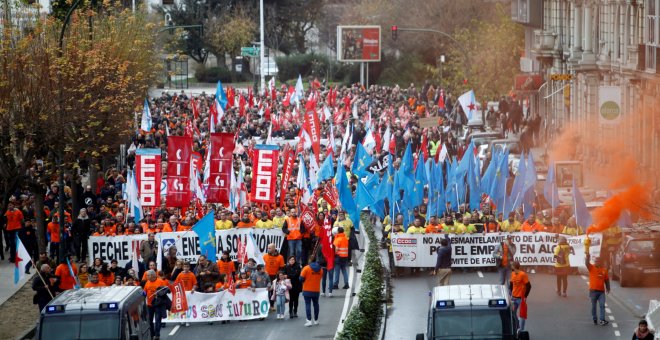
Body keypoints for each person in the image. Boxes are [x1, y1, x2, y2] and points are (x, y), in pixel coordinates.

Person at [586, 254, 610, 325]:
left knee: (602, 305)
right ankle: (594, 319)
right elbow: (586, 263)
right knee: (594, 306)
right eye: (595, 261)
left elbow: (606, 280)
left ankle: (602, 320)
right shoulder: (591, 268)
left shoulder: (604, 270)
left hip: (601, 292)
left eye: (598, 261)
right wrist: (587, 257)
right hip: (593, 291)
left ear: (600, 262)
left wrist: (608, 288)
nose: (596, 262)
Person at [144, 270, 169, 340]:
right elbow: (144, 292)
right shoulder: (147, 282)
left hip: (158, 304)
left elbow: (166, 290)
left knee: (158, 320)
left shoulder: (160, 281)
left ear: (152, 275)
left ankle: (157, 334)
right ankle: (152, 334)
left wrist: (158, 293)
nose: (146, 277)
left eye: (148, 275)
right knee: (150, 320)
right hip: (149, 305)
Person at [509, 261, 531, 332]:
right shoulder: (512, 274)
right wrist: (510, 294)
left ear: (514, 267)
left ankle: (521, 330)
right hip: (514, 297)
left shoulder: (523, 275)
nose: (511, 267)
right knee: (513, 313)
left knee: (522, 314)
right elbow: (511, 284)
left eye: (512, 265)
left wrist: (525, 296)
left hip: (521, 298)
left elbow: (529, 286)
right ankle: (517, 325)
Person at [300, 259, 323, 327]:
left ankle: (309, 320)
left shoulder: (306, 268)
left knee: (308, 304)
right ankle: (316, 320)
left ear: (309, 261)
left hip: (307, 289)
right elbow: (320, 277)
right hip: (316, 289)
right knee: (316, 304)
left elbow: (301, 278)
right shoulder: (320, 269)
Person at [263, 243, 285, 310]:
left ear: (273, 249)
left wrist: (279, 277)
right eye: (268, 248)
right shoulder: (265, 256)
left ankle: (272, 305)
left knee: (273, 292)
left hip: (275, 276)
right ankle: (266, 305)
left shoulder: (280, 257)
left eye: (269, 248)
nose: (268, 249)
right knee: (266, 291)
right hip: (266, 276)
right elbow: (262, 266)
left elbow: (282, 268)